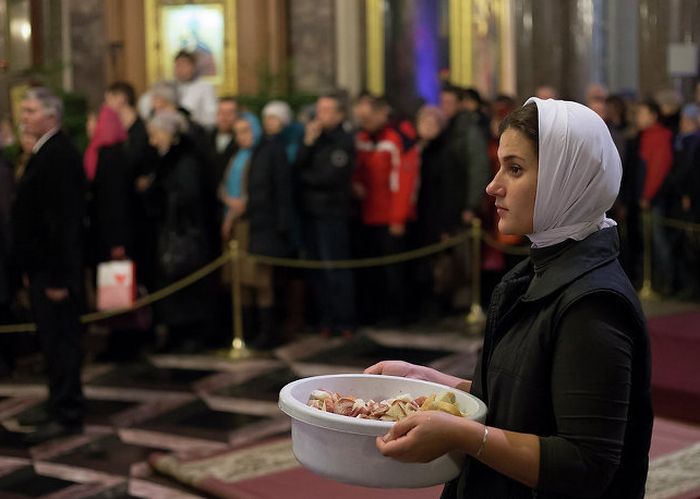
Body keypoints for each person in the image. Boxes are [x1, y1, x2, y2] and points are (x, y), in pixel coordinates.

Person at [366, 98, 652, 498]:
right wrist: (432, 381)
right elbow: (524, 398)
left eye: (515, 169)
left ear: (565, 179)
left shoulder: (593, 304)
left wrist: (467, 436)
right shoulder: (535, 271)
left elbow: (585, 463)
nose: (493, 185)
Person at [13, 87, 86, 442]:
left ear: (50, 116)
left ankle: (68, 412)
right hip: (42, 268)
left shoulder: (59, 155)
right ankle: (57, 401)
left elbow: (64, 224)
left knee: (62, 342)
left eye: (30, 111)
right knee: (51, 342)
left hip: (55, 272)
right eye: (23, 111)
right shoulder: (43, 153)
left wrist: (58, 277)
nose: (23, 116)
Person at [220, 112, 292, 349]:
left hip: (263, 226)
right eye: (237, 132)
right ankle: (247, 330)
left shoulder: (270, 151)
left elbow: (281, 190)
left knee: (262, 281)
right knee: (242, 280)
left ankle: (268, 331)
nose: (241, 136)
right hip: (239, 225)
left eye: (245, 130)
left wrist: (282, 227)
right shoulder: (237, 156)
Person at [145, 110, 212, 351]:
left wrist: (160, 194)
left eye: (155, 135)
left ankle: (190, 335)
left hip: (184, 233)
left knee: (186, 287)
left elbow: (189, 196)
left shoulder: (186, 160)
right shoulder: (167, 159)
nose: (152, 141)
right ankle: (175, 332)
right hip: (170, 231)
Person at [297, 93, 356, 336]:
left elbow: (330, 177)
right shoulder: (315, 139)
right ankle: (326, 319)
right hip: (311, 212)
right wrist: (308, 144)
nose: (321, 115)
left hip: (332, 212)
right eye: (319, 110)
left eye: (327, 110)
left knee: (335, 269)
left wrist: (306, 178)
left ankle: (345, 321)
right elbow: (298, 168)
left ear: (340, 114)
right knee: (317, 270)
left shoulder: (343, 141)